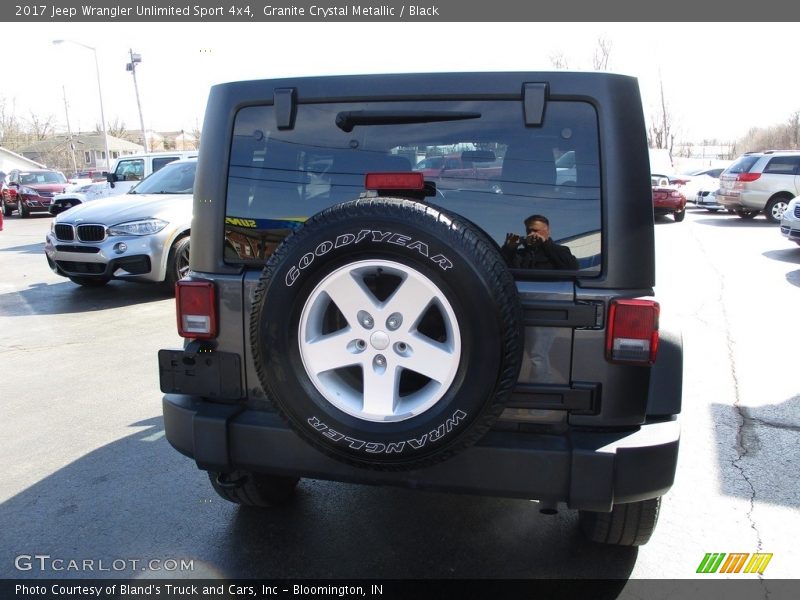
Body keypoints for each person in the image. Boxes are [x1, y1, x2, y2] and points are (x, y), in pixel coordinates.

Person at [502, 214, 579, 270]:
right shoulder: (520, 254)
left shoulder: (561, 251)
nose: (531, 234)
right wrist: (509, 249)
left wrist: (545, 244)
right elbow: (502, 269)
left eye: (535, 230)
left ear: (548, 231)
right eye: (528, 231)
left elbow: (572, 268)